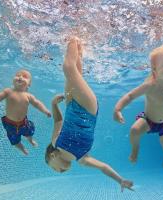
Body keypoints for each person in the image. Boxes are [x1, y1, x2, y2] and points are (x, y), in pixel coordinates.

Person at [45, 37, 133, 192]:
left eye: (54, 169)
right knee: (69, 69)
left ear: (52, 157)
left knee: (74, 69)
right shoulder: (83, 159)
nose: (59, 172)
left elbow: (58, 121)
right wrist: (120, 180)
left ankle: (77, 43)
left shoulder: (55, 142)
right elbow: (104, 167)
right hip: (88, 108)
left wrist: (53, 104)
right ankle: (75, 39)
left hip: (70, 104)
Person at [0, 69, 51, 155]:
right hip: (10, 124)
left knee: (29, 133)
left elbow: (37, 104)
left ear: (29, 84)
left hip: (23, 123)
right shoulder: (8, 91)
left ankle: (30, 140)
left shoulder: (28, 96)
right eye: (18, 75)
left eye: (24, 77)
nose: (20, 77)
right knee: (15, 141)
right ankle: (22, 149)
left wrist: (45, 111)